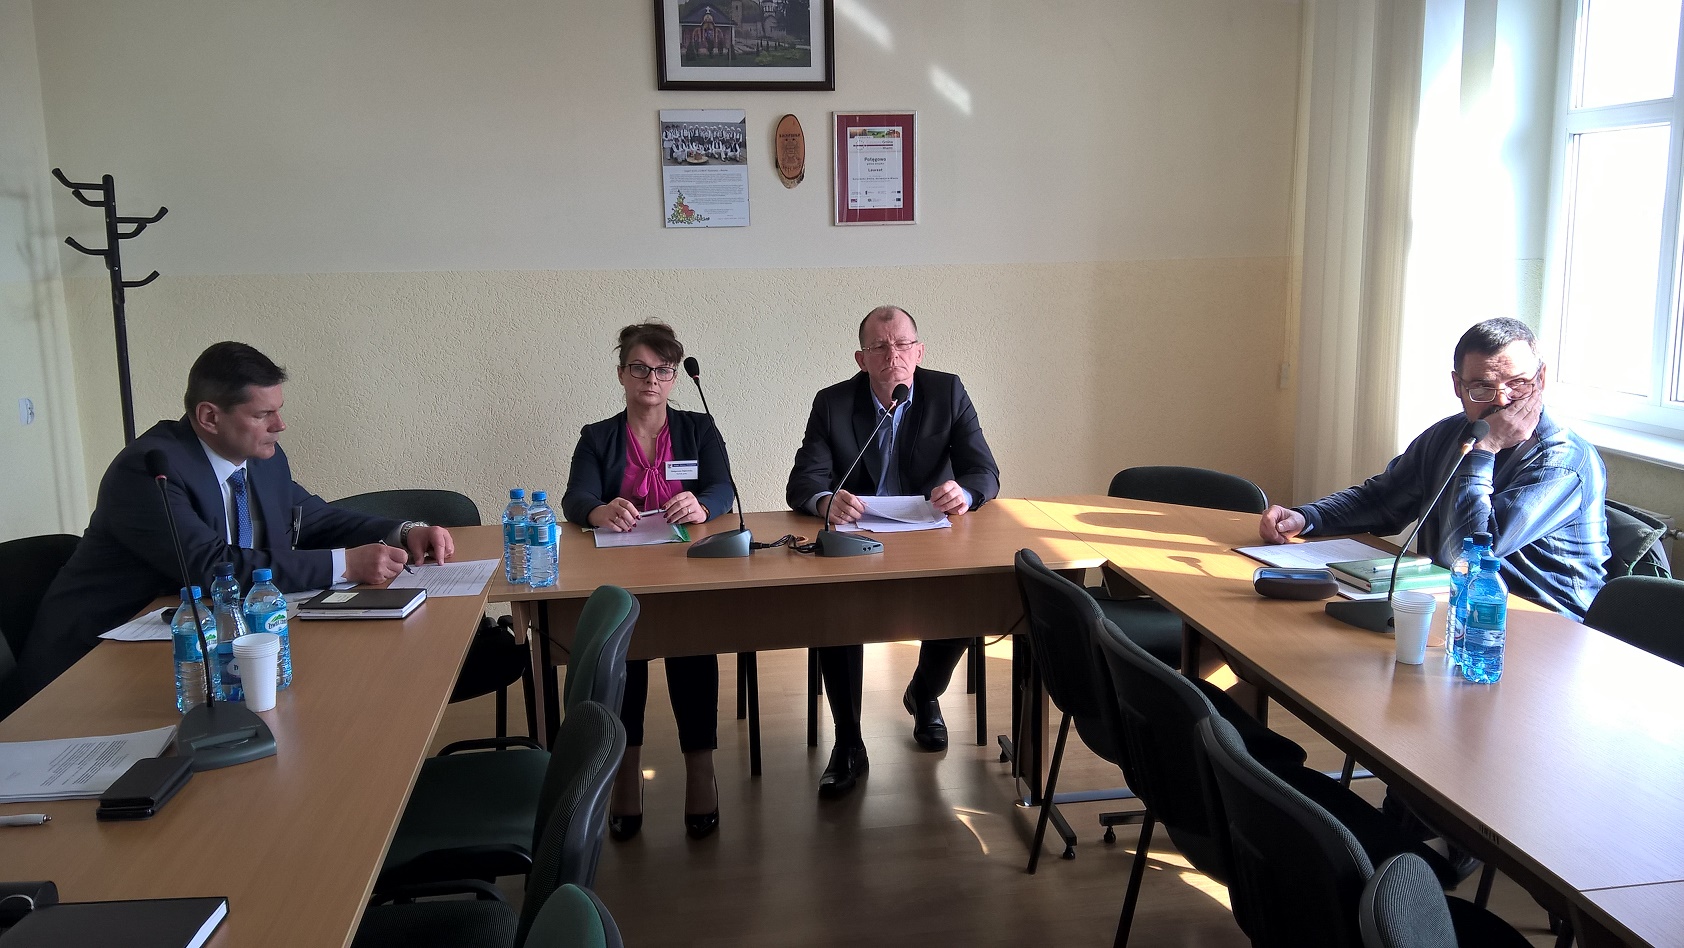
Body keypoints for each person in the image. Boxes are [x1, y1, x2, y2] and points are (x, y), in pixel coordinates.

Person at [0, 341, 455, 718]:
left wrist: (402, 531)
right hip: (93, 669)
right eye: (262, 415)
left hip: (201, 651)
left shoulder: (261, 458)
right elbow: (212, 565)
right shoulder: (149, 470)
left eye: (278, 411)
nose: (280, 425)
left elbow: (312, 517)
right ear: (209, 417)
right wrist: (346, 564)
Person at [786, 305, 1001, 798]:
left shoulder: (947, 392)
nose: (893, 356)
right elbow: (803, 482)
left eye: (903, 344)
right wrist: (825, 500)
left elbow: (984, 471)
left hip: (930, 535)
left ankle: (924, 693)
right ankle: (848, 741)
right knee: (838, 611)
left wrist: (965, 493)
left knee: (966, 596)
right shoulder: (833, 403)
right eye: (880, 347)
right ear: (861, 359)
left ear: (919, 351)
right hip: (858, 538)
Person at [1258, 316, 1608, 619]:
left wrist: (1484, 451)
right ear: (1458, 386)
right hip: (1453, 609)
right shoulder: (1450, 434)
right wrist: (1307, 517)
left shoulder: (1562, 462)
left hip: (1539, 625)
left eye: (1518, 384)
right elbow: (1382, 499)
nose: (1502, 400)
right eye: (1482, 387)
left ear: (1541, 379)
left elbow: (1469, 555)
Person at [561, 321, 733, 840]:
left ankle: (701, 771)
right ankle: (626, 773)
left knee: (692, 644)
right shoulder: (597, 436)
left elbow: (722, 487)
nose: (651, 379)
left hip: (687, 566)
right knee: (625, 654)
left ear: (675, 377)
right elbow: (576, 498)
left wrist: (702, 505)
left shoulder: (700, 429)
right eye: (639, 368)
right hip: (622, 570)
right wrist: (600, 511)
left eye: (662, 370)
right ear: (621, 374)